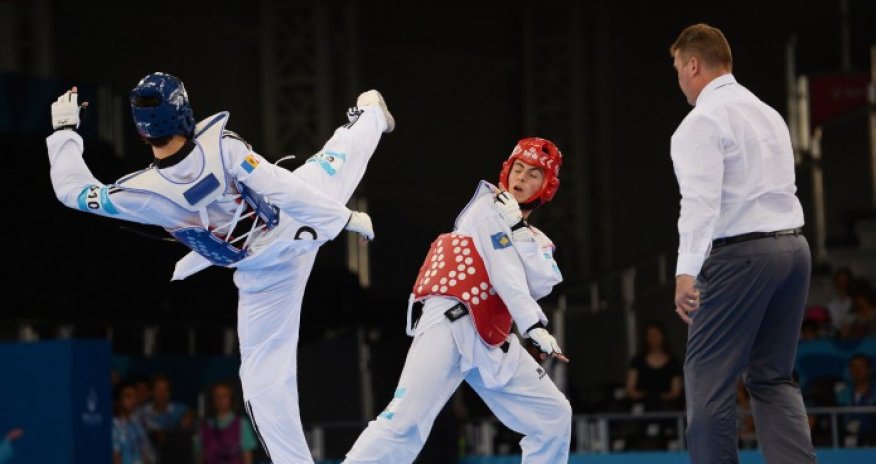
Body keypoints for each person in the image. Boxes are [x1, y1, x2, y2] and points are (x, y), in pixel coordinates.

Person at [47, 72, 394, 463]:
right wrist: (344, 219)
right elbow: (281, 186)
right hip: (294, 226)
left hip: (265, 272)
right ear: (184, 114)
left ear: (142, 134)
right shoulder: (222, 147)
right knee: (332, 163)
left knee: (263, 384)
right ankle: (370, 117)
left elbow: (71, 191)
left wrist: (64, 131)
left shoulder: (141, 193)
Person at [343, 138, 572, 463]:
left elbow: (543, 281)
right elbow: (505, 268)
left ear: (548, 187)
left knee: (553, 415)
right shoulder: (486, 206)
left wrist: (518, 228)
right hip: (450, 322)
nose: (521, 179)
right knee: (405, 423)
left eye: (533, 174)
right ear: (506, 171)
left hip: (492, 339)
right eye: (517, 169)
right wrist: (533, 325)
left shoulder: (535, 239)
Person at [669, 24, 815, 463]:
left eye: (678, 68)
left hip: (742, 256)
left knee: (708, 379)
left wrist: (685, 272)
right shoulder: (767, 112)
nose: (678, 79)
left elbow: (700, 204)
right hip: (794, 250)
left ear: (694, 64)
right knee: (773, 378)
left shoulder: (700, 123)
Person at [625, 321, 683, 411]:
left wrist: (658, 397)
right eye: (650, 335)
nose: (653, 338)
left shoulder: (673, 363)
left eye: (657, 335)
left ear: (663, 336)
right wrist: (646, 396)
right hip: (641, 408)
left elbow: (675, 392)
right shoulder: (637, 361)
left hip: (666, 408)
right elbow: (630, 389)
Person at [195, 381, 258, 464]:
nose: (220, 399)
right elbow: (200, 456)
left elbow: (247, 457)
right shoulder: (204, 426)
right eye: (217, 396)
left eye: (225, 396)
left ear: (231, 398)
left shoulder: (241, 424)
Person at [835, 354, 876, 446]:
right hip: (849, 439)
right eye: (853, 367)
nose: (857, 370)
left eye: (861, 366)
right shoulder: (842, 394)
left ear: (870, 369)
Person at [113, 382, 155, 464]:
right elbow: (116, 457)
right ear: (118, 400)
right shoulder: (114, 427)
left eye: (134, 396)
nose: (132, 400)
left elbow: (146, 455)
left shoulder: (138, 426)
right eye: (128, 396)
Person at [827, 268, 854, 333]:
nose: (841, 284)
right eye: (839, 281)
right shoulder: (831, 304)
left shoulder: (855, 302)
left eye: (844, 281)